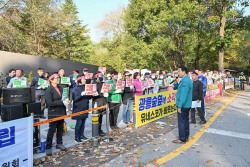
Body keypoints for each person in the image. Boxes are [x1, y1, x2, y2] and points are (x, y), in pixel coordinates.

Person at [45, 73, 69, 155]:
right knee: (51, 130)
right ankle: (48, 147)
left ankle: (59, 143)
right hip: (53, 113)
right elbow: (49, 103)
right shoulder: (49, 90)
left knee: (60, 129)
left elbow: (63, 97)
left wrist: (66, 100)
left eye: (58, 78)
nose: (58, 79)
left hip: (61, 112)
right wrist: (62, 102)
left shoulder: (60, 87)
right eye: (56, 78)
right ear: (51, 80)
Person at [172, 66, 193, 144]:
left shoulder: (185, 81)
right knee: (185, 121)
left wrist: (180, 106)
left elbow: (183, 95)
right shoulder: (186, 80)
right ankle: (186, 136)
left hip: (183, 105)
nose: (178, 73)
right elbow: (181, 89)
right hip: (186, 104)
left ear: (184, 72)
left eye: (179, 71)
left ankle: (182, 138)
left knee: (181, 122)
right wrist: (175, 83)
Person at [72, 74, 92, 143]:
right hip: (78, 108)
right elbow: (75, 99)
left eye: (85, 79)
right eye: (83, 79)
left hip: (85, 107)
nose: (85, 80)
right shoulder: (75, 88)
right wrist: (81, 94)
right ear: (79, 80)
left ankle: (81, 135)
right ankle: (76, 137)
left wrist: (92, 94)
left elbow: (88, 96)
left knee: (83, 123)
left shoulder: (85, 87)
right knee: (79, 123)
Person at [92, 71, 107, 136]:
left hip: (103, 101)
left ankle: (100, 129)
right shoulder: (94, 84)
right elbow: (93, 93)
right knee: (96, 117)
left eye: (102, 76)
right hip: (97, 102)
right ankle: (96, 130)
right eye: (100, 76)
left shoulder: (103, 83)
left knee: (101, 117)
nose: (101, 77)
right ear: (96, 77)